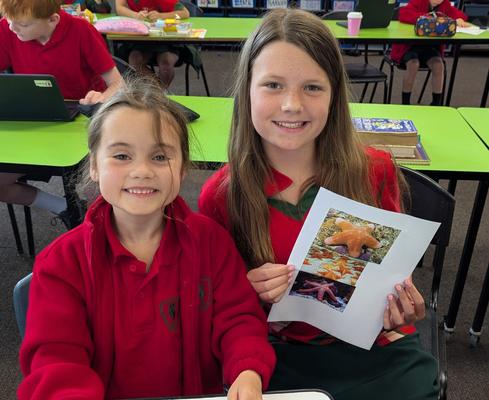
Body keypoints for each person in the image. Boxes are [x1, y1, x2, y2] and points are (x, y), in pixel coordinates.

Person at [199, 8, 439, 400]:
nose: (291, 105)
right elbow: (216, 307)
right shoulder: (223, 195)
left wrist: (400, 302)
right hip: (273, 352)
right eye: (273, 85)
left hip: (372, 350)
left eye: (312, 87)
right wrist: (247, 290)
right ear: (247, 91)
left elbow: (391, 279)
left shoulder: (374, 171)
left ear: (334, 95)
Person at [18, 78, 276, 399]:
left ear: (183, 168)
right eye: (121, 156)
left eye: (159, 157)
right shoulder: (62, 263)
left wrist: (248, 370)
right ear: (94, 165)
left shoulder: (212, 242)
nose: (141, 171)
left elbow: (238, 319)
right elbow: (57, 361)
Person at [0, 0, 123, 227]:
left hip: (81, 123)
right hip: (33, 124)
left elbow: (118, 84)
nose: (12, 28)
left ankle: (105, 221)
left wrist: (101, 97)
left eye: (23, 24)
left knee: (108, 175)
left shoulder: (81, 30)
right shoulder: (9, 28)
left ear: (52, 20)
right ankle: (65, 207)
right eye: (9, 21)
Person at [391, 0, 468, 106]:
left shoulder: (445, 5)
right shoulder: (418, 2)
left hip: (429, 47)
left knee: (438, 65)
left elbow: (458, 14)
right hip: (409, 47)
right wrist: (430, 19)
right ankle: (405, 103)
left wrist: (459, 19)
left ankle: (436, 103)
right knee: (413, 64)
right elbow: (404, 14)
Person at [115, 0, 199, 89]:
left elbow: (185, 13)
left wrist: (161, 16)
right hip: (143, 39)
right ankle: (160, 92)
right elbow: (119, 7)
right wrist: (136, 15)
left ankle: (158, 93)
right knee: (135, 60)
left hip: (167, 39)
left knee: (166, 63)